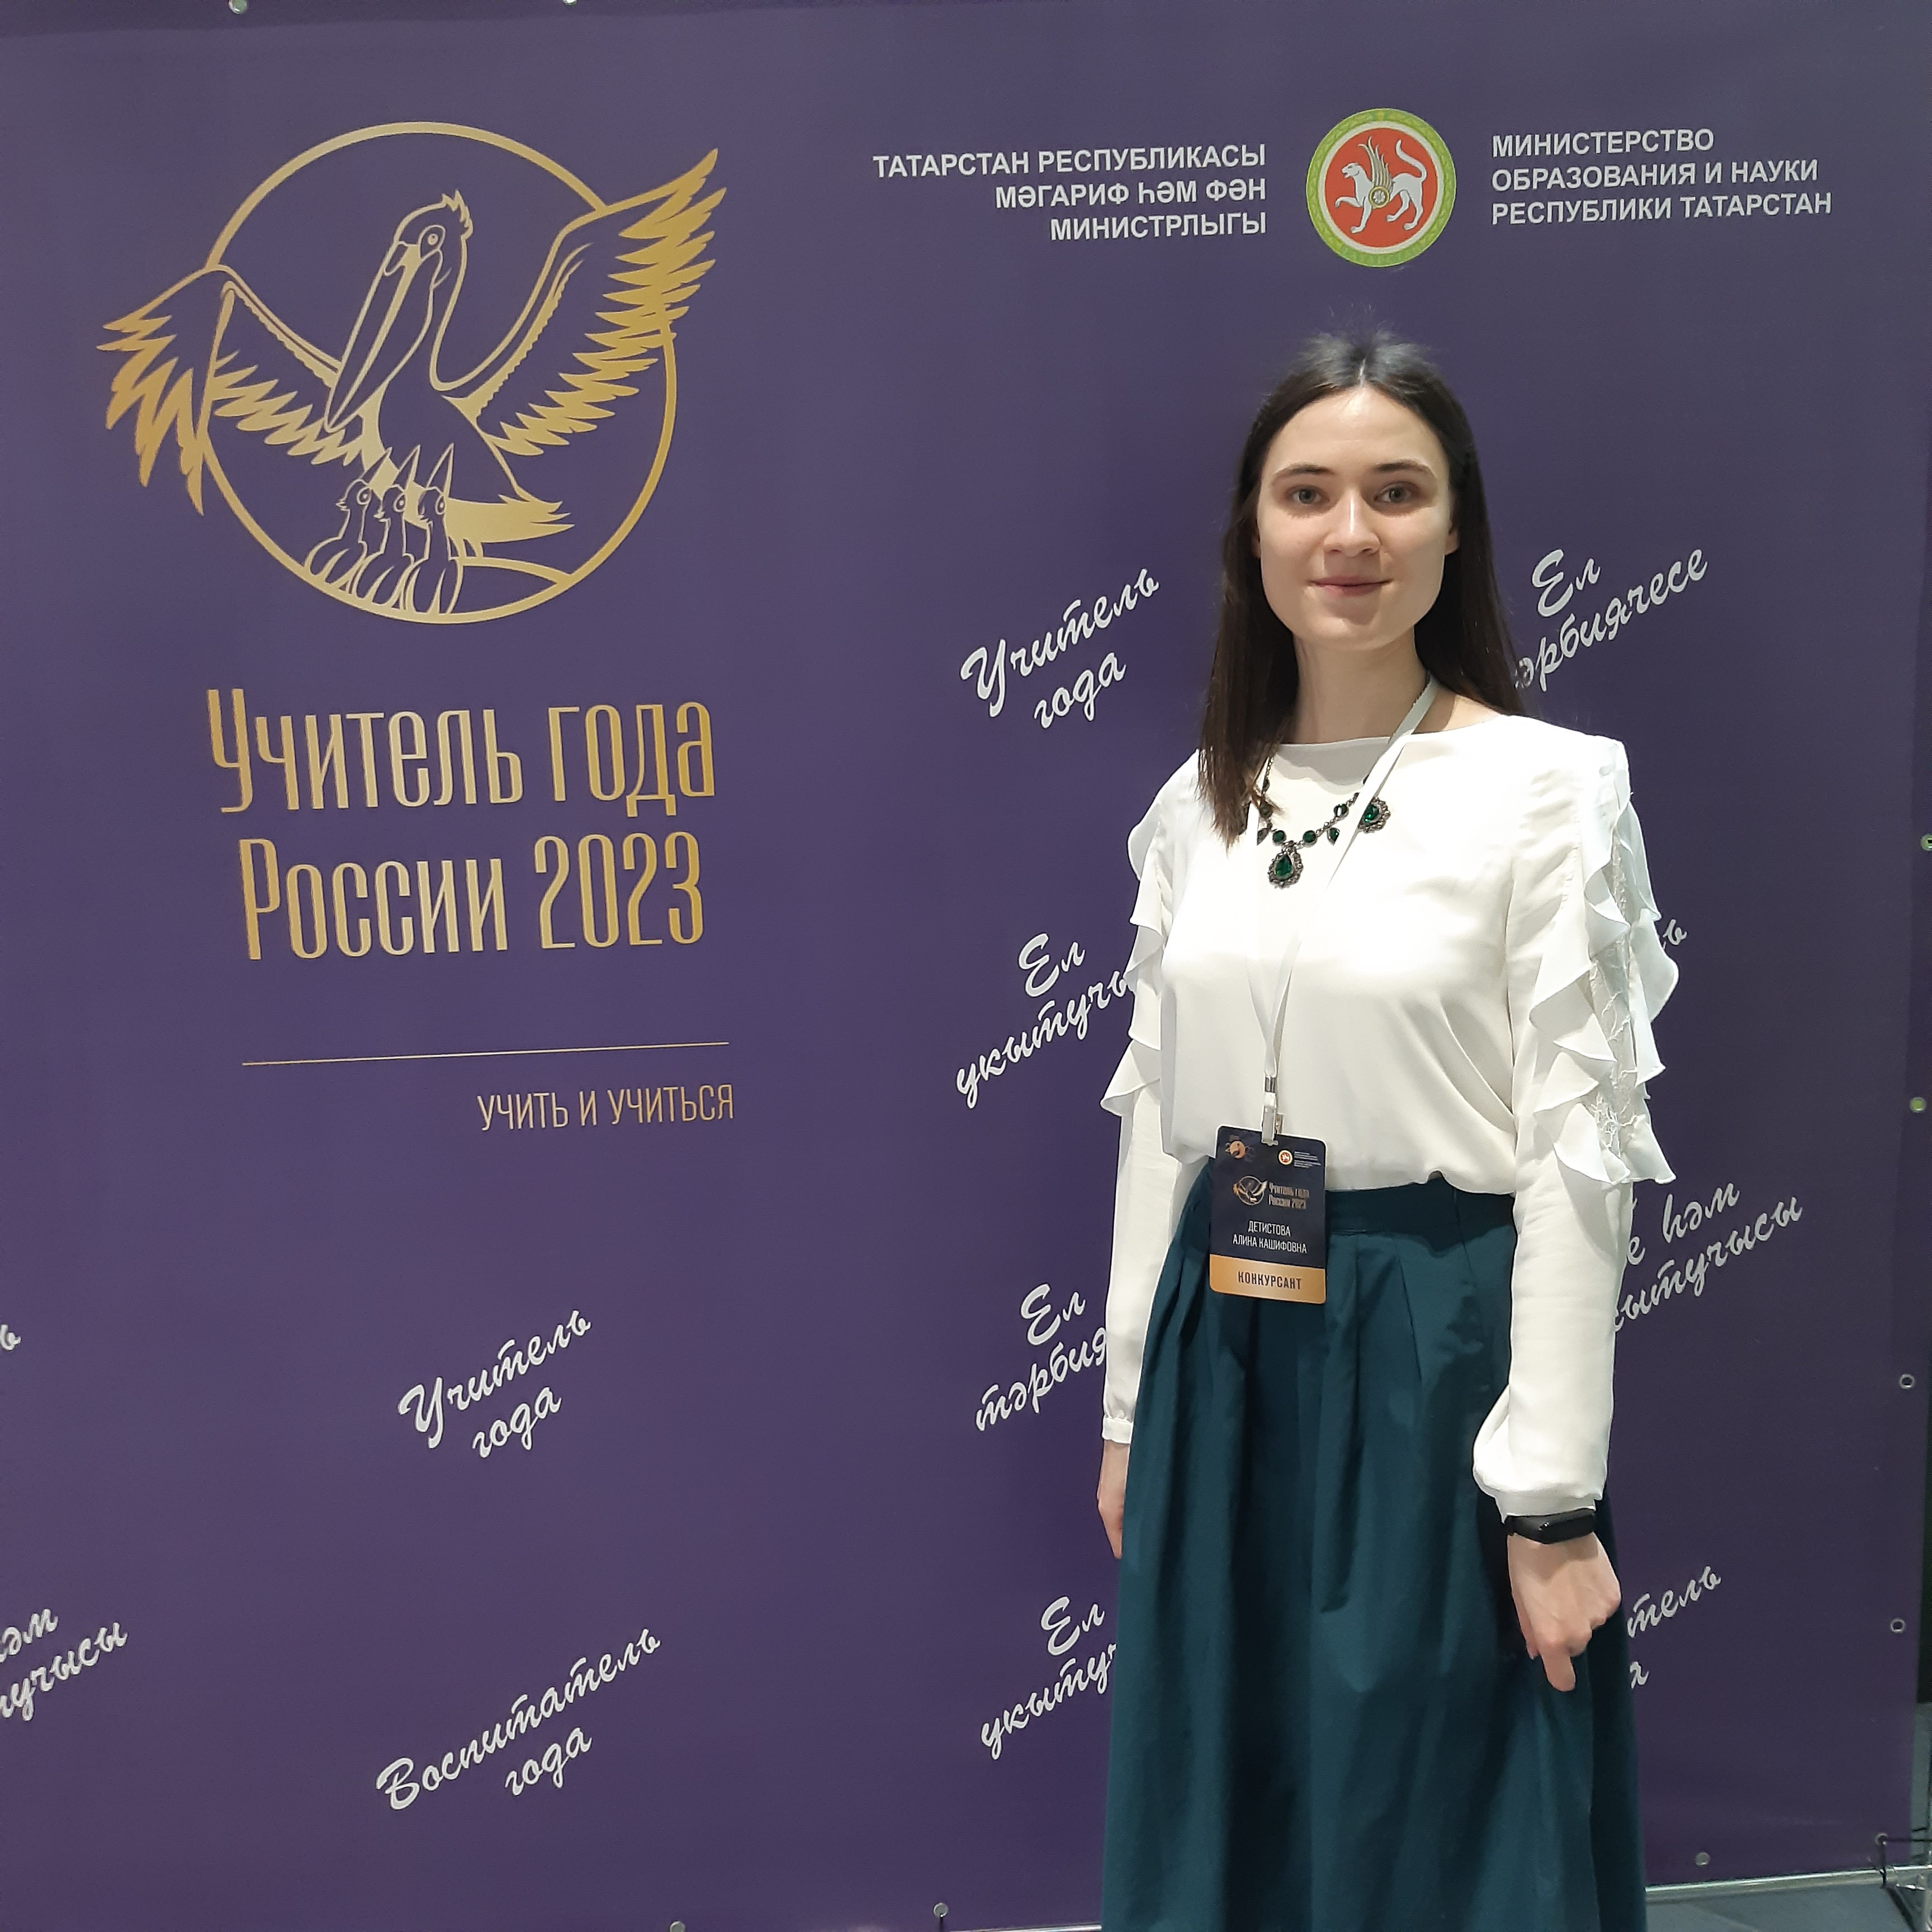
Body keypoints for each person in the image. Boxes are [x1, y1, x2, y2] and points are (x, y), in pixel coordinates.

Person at [1095, 330, 1674, 1932]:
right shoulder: (1196, 805)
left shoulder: (1552, 792)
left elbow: (1576, 1155)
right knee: (1240, 1789)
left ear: (1455, 526)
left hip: (1435, 1347)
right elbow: (1162, 1132)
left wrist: (1550, 1497)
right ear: (1253, 530)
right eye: (1308, 494)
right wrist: (1133, 1411)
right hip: (1228, 1341)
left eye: (1396, 492)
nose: (1349, 533)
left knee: (1433, 1809)